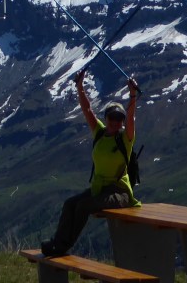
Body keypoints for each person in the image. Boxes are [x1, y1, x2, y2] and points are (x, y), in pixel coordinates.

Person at [40, 70, 140, 257]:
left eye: (119, 119)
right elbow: (87, 110)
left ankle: (61, 247)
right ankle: (58, 242)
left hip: (119, 193)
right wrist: (80, 87)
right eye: (112, 118)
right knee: (70, 204)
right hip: (100, 189)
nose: (116, 122)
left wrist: (133, 95)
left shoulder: (125, 140)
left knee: (83, 206)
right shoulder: (100, 133)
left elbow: (131, 117)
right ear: (106, 118)